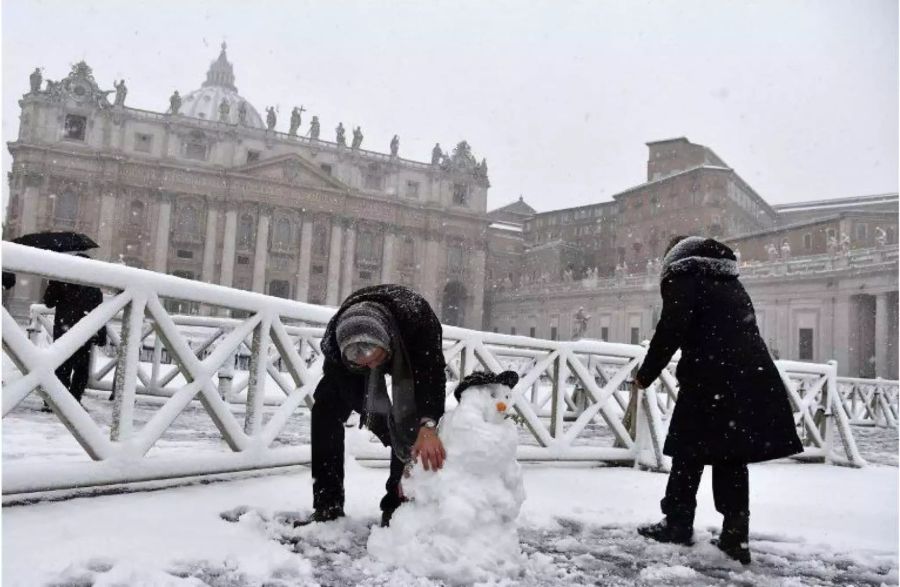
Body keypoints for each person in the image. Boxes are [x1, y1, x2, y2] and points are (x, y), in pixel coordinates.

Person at [632, 236, 802, 565]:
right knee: (730, 456)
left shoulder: (683, 277)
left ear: (674, 257)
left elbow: (672, 327)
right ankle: (735, 536)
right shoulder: (729, 281)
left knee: (686, 452)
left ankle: (678, 524)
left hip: (709, 378)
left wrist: (646, 373)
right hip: (749, 375)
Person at [301, 284, 447, 528]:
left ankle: (397, 505)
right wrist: (385, 429)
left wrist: (427, 425)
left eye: (376, 360)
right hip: (359, 349)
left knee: (409, 419)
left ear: (386, 344)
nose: (371, 368)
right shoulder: (336, 345)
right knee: (325, 407)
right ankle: (328, 504)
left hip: (408, 345)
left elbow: (431, 377)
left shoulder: (419, 323)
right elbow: (346, 388)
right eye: (363, 364)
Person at [43, 255, 108, 406]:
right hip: (79, 332)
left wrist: (101, 332)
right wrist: (53, 282)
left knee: (70, 369)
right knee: (73, 369)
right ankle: (66, 402)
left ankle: (62, 401)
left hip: (72, 332)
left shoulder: (69, 283)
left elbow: (99, 312)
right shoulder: (90, 287)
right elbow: (49, 302)